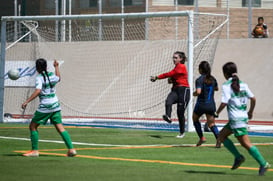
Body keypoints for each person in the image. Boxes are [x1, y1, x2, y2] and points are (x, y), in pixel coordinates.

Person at [215, 62, 270, 176]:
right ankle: (238, 157)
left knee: (246, 144)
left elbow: (224, 102)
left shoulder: (226, 85)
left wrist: (217, 113)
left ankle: (263, 163)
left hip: (236, 120)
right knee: (221, 136)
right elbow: (253, 99)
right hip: (241, 117)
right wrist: (250, 112)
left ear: (225, 74)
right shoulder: (243, 84)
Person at [21, 58, 76, 157]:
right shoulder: (51, 75)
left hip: (45, 106)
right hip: (55, 105)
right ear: (46, 67)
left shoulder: (39, 78)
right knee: (60, 128)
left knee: (33, 126)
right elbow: (58, 78)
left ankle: (35, 151)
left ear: (37, 68)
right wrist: (56, 67)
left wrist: (27, 101)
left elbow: (38, 91)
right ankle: (71, 149)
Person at [150, 51, 190, 138]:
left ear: (181, 59)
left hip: (184, 90)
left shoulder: (181, 66)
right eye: (173, 57)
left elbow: (169, 74)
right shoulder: (176, 68)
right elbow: (171, 78)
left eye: (176, 58)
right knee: (168, 101)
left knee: (180, 112)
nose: (174, 59)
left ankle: (182, 132)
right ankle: (168, 116)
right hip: (176, 90)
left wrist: (157, 77)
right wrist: (171, 79)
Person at [192, 61, 220, 147]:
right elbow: (217, 88)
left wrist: (194, 93)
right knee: (211, 124)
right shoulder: (213, 79)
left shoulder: (199, 80)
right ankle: (218, 140)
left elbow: (198, 92)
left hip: (201, 104)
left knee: (195, 119)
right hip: (211, 105)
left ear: (200, 70)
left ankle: (202, 138)